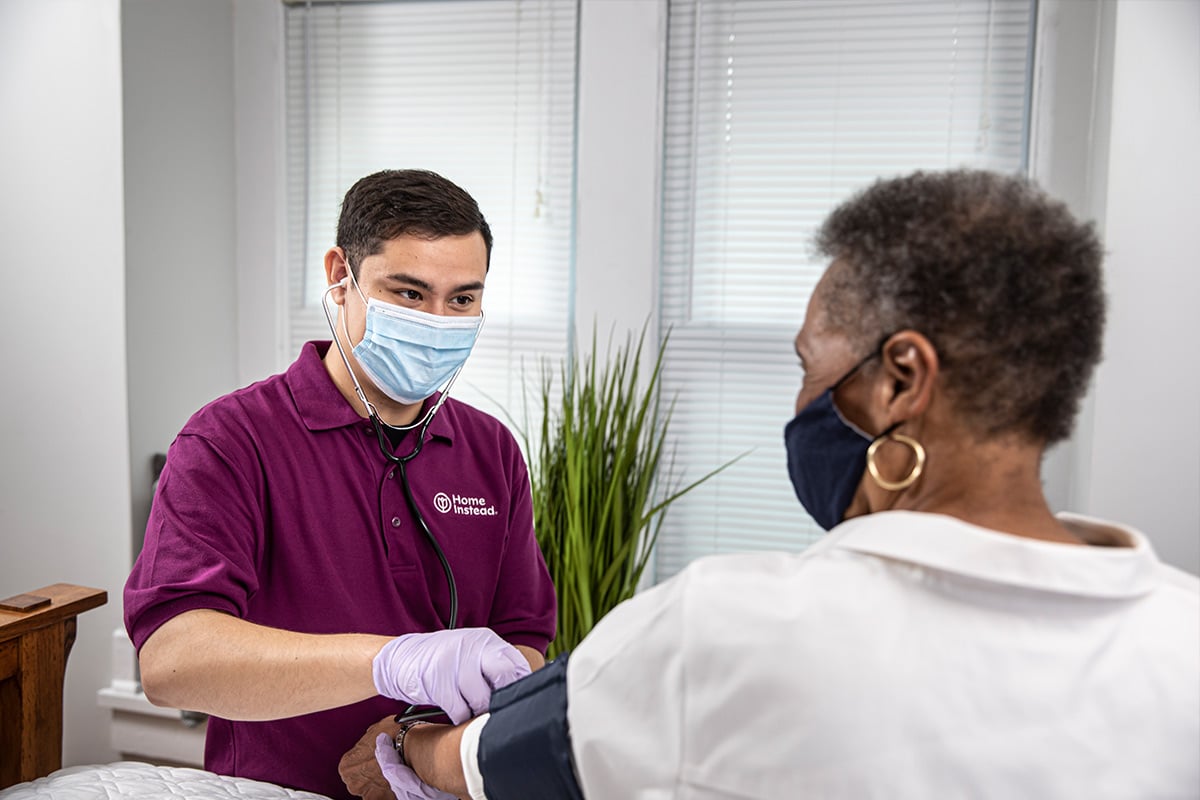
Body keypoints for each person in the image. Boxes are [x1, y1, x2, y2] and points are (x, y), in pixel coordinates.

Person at [339, 168, 1200, 799]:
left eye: (808, 366)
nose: (801, 403)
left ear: (900, 379)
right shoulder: (1184, 635)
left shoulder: (728, 627)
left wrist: (410, 740)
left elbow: (478, 761)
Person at [124, 169, 557, 799]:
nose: (438, 322)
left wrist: (420, 749)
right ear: (339, 276)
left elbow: (525, 645)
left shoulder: (490, 450)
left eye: (462, 300)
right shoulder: (230, 440)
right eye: (409, 293)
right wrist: (393, 662)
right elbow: (171, 662)